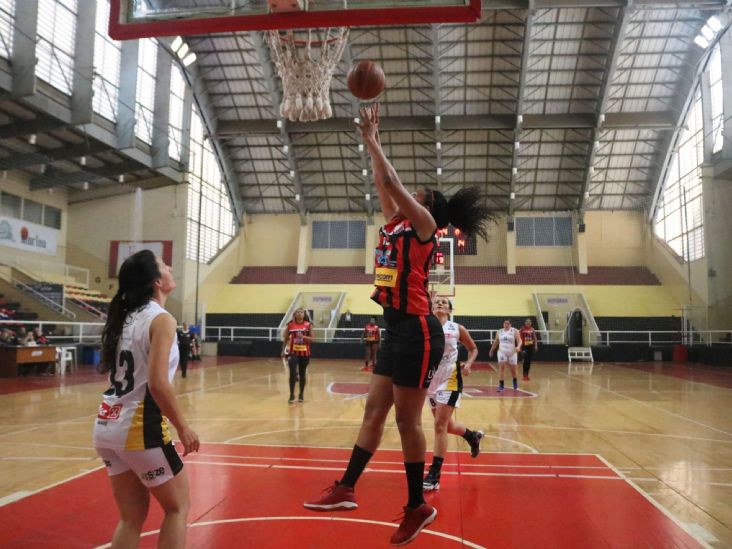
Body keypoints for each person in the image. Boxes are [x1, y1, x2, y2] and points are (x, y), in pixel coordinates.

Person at [304, 103, 494, 546]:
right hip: (395, 329)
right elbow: (382, 183)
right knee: (374, 410)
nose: (413, 195)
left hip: (418, 330)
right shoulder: (396, 223)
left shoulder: (426, 226)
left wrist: (374, 139)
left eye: (420, 193)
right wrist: (372, 146)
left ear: (429, 206)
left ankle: (417, 506)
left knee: (409, 421)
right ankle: (347, 487)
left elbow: (392, 181)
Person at [93, 250, 199, 549]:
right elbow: (157, 384)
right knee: (178, 508)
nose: (170, 267)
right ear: (156, 280)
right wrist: (183, 426)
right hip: (139, 429)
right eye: (165, 265)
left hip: (106, 425)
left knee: (131, 519)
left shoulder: (123, 317)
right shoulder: (161, 319)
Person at [423, 296, 483, 491]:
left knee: (439, 425)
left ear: (449, 309)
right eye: (436, 302)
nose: (440, 303)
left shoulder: (457, 328)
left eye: (444, 302)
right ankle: (472, 436)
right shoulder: (424, 326)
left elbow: (473, 349)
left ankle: (434, 474)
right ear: (431, 308)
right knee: (447, 426)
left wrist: (469, 364)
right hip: (430, 380)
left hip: (451, 379)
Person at [283, 307, 313, 404]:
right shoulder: (290, 325)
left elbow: (312, 339)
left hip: (304, 353)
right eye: (297, 312)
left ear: (304, 315)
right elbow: (285, 338)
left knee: (302, 373)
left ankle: (301, 394)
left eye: (301, 312)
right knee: (292, 373)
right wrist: (283, 350)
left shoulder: (308, 325)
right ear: (295, 314)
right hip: (293, 352)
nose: (299, 314)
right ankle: (291, 394)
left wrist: (303, 337)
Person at [489, 319, 522, 392]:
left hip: (512, 352)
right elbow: (496, 341)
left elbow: (519, 340)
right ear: (503, 324)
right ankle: (501, 385)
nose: (506, 325)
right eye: (505, 323)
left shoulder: (514, 331)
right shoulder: (499, 331)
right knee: (501, 367)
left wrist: (518, 346)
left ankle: (515, 382)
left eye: (508, 324)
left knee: (513, 370)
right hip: (502, 352)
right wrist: (491, 350)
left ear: (510, 325)